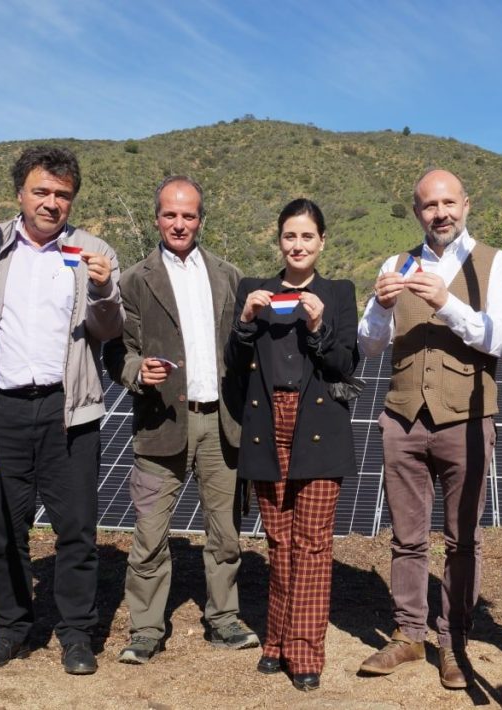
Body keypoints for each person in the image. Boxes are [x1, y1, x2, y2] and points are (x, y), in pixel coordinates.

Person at [0, 146, 123, 675]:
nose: (52, 202)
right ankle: (11, 629)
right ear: (20, 194)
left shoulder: (93, 251)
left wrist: (102, 288)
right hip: (2, 408)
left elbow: (109, 329)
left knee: (76, 529)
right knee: (4, 529)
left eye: (62, 195)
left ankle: (76, 634)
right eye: (41, 191)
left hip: (68, 411)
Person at [357, 169, 502, 689]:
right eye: (430, 205)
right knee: (406, 538)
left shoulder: (496, 263)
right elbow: (369, 344)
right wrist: (382, 307)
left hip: (465, 420)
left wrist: (446, 304)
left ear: (466, 205)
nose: (441, 213)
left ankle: (453, 640)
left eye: (449, 203)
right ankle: (408, 633)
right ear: (417, 212)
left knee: (462, 540)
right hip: (402, 417)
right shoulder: (395, 264)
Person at [103, 175, 258, 666]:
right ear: (157, 219)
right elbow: (116, 351)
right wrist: (136, 371)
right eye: (170, 214)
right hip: (160, 423)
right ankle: (146, 628)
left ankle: (224, 619)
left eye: (188, 215)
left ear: (200, 220)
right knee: (149, 533)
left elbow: (245, 345)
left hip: (221, 422)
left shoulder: (229, 276)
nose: (179, 223)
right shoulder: (134, 280)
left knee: (225, 533)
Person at [225, 199, 359, 692]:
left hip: (318, 429)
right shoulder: (253, 290)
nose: (297, 245)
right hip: (267, 427)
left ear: (322, 241)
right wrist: (245, 320)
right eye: (289, 236)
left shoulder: (338, 293)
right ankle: (276, 640)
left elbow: (345, 364)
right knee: (279, 541)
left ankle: (304, 650)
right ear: (278, 240)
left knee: (313, 544)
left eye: (307, 236)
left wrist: (320, 327)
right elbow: (232, 364)